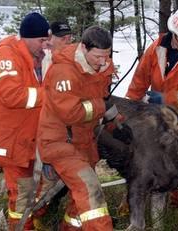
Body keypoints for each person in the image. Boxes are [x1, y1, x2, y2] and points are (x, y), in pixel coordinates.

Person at [37, 26, 120, 231]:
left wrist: (115, 121)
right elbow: (71, 112)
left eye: (107, 56)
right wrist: (101, 106)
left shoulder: (102, 67)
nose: (103, 61)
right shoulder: (63, 71)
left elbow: (102, 100)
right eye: (98, 56)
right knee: (90, 189)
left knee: (79, 201)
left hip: (83, 141)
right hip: (60, 142)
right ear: (83, 48)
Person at [125, 5, 178, 207]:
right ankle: (132, 201)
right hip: (156, 119)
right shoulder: (157, 48)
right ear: (173, 31)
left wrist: (167, 102)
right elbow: (139, 83)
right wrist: (127, 114)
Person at [0, 12, 54, 230]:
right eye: (42, 40)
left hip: (31, 139)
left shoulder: (37, 55)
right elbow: (12, 95)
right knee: (22, 194)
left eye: (47, 40)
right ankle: (22, 226)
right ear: (28, 37)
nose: (45, 45)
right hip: (11, 142)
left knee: (41, 185)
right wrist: (49, 95)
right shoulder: (6, 56)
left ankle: (34, 218)